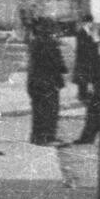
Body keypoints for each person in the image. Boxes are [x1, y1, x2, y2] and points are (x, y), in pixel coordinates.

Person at [25, 17, 67, 146]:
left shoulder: (35, 42)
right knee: (49, 111)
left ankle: (37, 137)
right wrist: (63, 68)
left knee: (39, 111)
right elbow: (58, 63)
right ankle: (47, 138)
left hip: (35, 82)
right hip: (47, 83)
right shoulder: (49, 43)